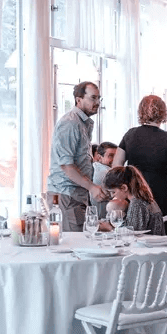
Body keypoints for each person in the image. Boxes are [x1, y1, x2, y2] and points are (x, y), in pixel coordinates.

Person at [114, 95, 167, 219]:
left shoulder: (130, 134)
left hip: (135, 191)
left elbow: (116, 166)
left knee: (136, 230)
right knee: (164, 232)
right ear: (164, 112)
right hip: (161, 191)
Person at [46, 81, 107, 231]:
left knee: (83, 242)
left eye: (99, 98)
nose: (97, 102)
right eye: (93, 98)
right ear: (78, 100)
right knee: (75, 245)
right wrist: (92, 187)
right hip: (67, 195)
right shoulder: (70, 123)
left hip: (77, 195)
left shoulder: (83, 123)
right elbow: (66, 165)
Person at [101, 165, 165, 235]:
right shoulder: (141, 199)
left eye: (113, 192)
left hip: (151, 244)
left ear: (124, 188)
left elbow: (132, 233)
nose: (112, 195)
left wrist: (111, 228)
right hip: (150, 243)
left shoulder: (137, 203)